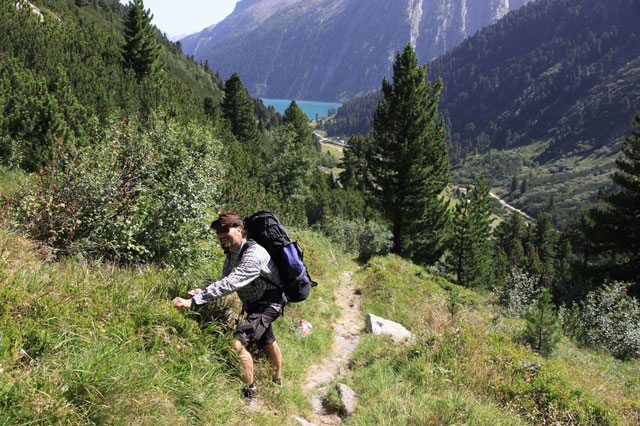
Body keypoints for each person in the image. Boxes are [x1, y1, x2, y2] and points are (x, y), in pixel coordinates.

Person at [171, 212, 285, 411]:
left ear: (239, 229)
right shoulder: (232, 253)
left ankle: (250, 395)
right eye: (219, 233)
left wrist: (195, 301)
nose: (222, 236)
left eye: (226, 231)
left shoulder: (254, 253)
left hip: (269, 304)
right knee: (267, 341)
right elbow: (226, 280)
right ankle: (277, 381)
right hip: (254, 304)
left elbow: (233, 281)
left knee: (237, 343)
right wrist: (203, 292)